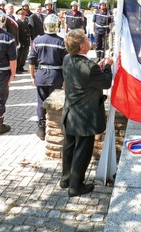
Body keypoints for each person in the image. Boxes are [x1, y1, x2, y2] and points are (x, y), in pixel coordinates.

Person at [60, 29, 113, 197]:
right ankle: (76, 186)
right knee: (82, 151)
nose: (89, 40)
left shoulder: (67, 58)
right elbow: (105, 83)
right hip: (84, 117)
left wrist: (99, 66)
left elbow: (84, 73)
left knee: (69, 147)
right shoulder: (89, 67)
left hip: (70, 113)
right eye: (86, 39)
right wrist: (109, 66)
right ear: (83, 46)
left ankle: (66, 178)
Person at [28, 14, 67, 140]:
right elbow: (65, 63)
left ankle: (41, 128)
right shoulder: (62, 42)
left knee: (41, 102)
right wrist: (66, 79)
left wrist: (32, 76)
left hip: (41, 75)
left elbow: (32, 61)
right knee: (54, 103)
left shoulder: (37, 41)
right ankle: (53, 127)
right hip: (56, 76)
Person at [16, 8, 31, 74]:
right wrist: (18, 41)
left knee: (24, 55)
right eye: (21, 14)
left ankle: (21, 66)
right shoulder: (17, 23)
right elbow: (16, 33)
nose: (23, 16)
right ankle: (17, 68)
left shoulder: (25, 22)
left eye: (23, 14)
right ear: (18, 15)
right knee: (19, 55)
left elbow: (28, 32)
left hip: (26, 41)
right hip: (21, 42)